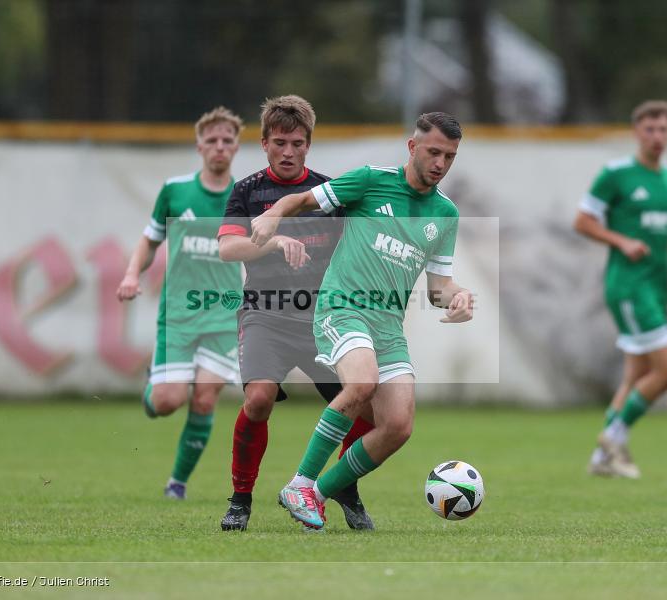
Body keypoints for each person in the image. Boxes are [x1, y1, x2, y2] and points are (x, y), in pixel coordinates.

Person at [250, 111, 474, 531]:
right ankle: (300, 482)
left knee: (398, 426)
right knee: (361, 382)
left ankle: (317, 495)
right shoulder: (371, 180)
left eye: (450, 156)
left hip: (388, 328)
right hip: (343, 308)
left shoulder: (445, 214)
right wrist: (273, 213)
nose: (440, 164)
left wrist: (458, 297)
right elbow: (302, 199)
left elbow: (437, 287)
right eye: (433, 152)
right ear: (413, 147)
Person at [216, 95, 375, 532]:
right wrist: (272, 241)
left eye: (298, 143)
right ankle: (241, 499)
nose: (289, 152)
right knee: (259, 399)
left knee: (368, 414)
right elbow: (228, 247)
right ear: (264, 143)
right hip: (265, 316)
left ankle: (343, 486)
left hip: (321, 319)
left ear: (309, 145)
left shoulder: (326, 192)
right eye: (280, 143)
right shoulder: (247, 191)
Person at [574, 100, 667, 479]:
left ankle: (603, 460)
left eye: (664, 130)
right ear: (637, 132)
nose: (657, 136)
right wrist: (621, 241)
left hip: (656, 286)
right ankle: (613, 438)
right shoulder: (616, 174)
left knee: (636, 376)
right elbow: (582, 221)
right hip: (629, 287)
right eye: (650, 129)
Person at [116, 106, 244, 499]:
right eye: (212, 141)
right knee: (170, 401)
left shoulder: (245, 196)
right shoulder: (175, 191)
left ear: (236, 147)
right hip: (179, 314)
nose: (219, 147)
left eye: (227, 141)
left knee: (204, 399)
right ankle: (153, 391)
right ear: (199, 146)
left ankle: (177, 483)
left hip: (224, 315)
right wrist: (132, 273)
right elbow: (150, 239)